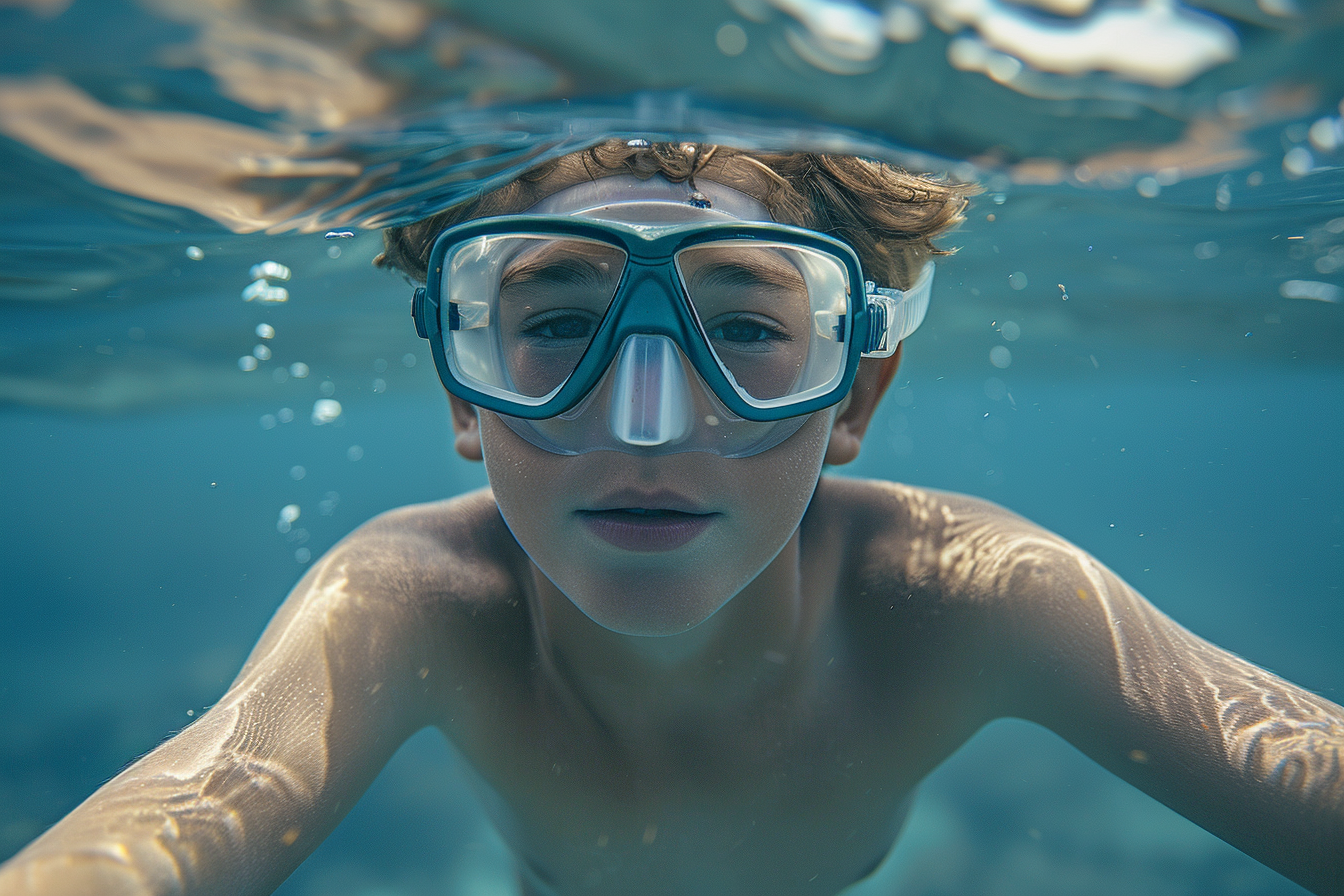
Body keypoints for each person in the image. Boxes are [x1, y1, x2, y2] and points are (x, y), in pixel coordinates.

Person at [1, 140, 1340, 896]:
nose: (645, 421)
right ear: (463, 395)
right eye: (563, 324)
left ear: (857, 390)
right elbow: (152, 844)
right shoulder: (408, 602)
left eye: (749, 327)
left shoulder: (968, 592)